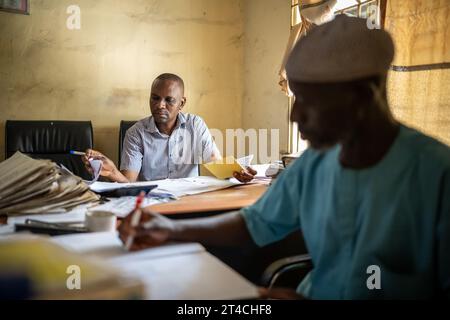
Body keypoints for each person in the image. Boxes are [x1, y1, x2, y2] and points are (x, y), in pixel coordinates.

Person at [117, 16, 450, 299]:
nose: (295, 117)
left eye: (307, 100)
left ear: (362, 97)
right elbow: (254, 223)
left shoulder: (438, 174)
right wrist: (170, 229)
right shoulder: (315, 164)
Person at [83, 73, 255, 183]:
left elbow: (218, 165)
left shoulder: (195, 125)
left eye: (169, 100)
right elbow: (128, 183)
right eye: (155, 98)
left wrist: (238, 172)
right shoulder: (136, 133)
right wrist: (112, 171)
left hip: (189, 201)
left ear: (182, 103)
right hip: (150, 203)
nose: (160, 105)